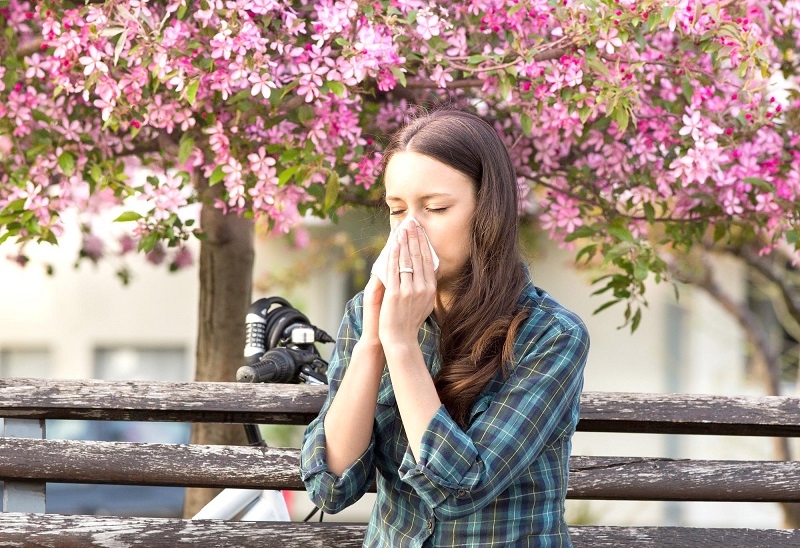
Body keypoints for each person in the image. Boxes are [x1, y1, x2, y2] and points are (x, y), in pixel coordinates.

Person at [300, 108, 590, 547]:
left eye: (435, 208)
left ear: (487, 211)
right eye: (397, 210)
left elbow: (460, 490)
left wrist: (401, 347)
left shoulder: (552, 335)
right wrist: (374, 343)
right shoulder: (367, 313)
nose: (410, 230)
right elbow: (331, 488)